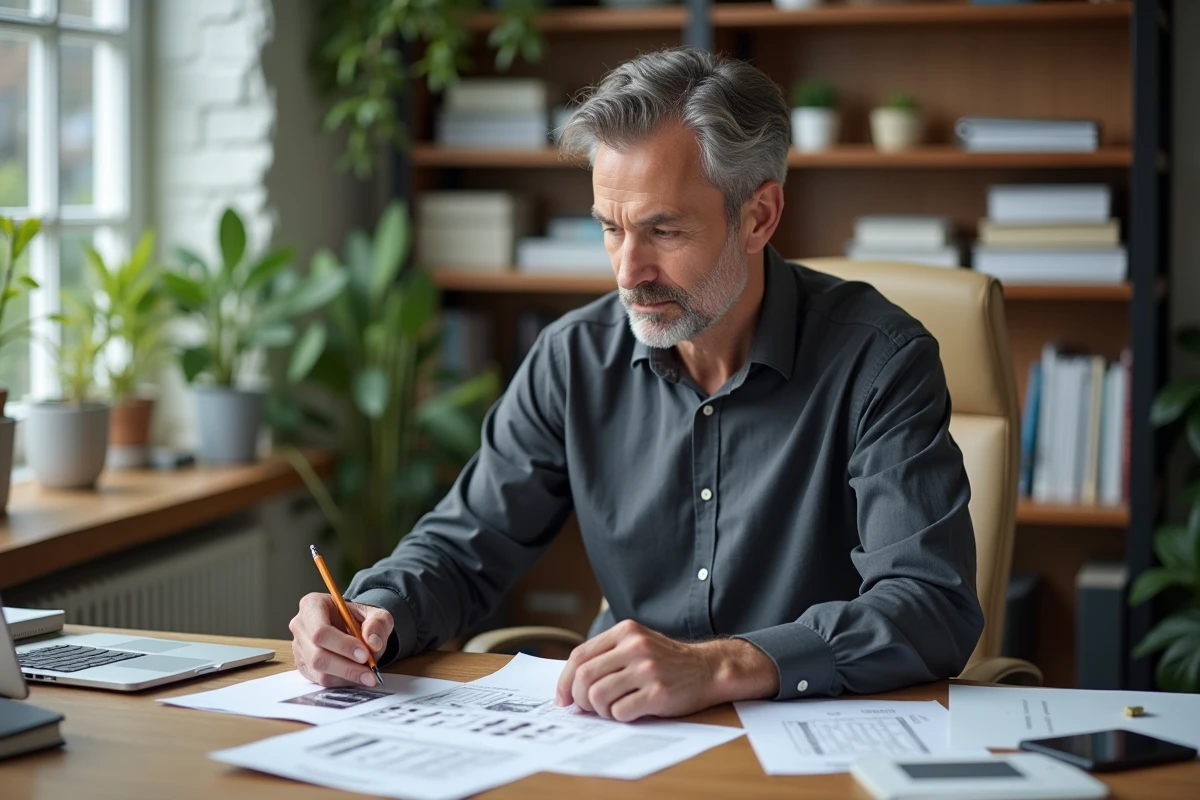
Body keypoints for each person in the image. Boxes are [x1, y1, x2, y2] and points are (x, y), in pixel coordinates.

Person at [290, 47, 984, 722]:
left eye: (663, 230)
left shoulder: (880, 361)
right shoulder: (572, 359)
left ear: (759, 216)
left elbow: (930, 603)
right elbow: (460, 549)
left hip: (811, 738)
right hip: (626, 739)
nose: (628, 271)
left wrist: (721, 665)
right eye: (610, 229)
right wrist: (373, 611)